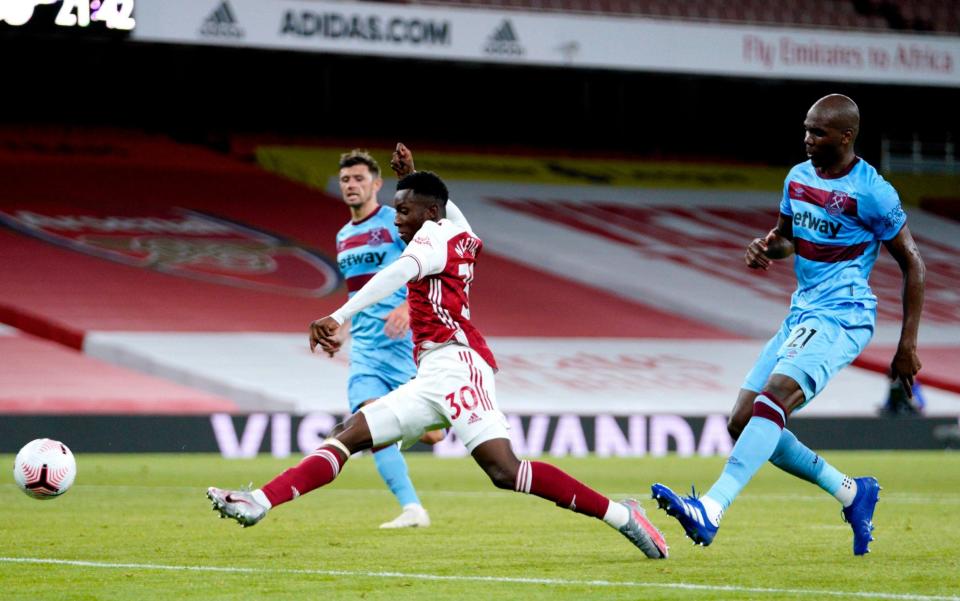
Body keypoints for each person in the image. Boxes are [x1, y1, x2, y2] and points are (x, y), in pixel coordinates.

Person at [208, 169, 669, 559]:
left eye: (403, 209)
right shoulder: (457, 232)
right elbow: (446, 207)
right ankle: (259, 501)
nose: (396, 217)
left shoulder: (429, 239)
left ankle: (623, 515)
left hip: (458, 364)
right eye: (394, 208)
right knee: (348, 434)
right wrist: (417, 172)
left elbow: (393, 274)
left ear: (429, 214)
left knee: (504, 471)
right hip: (431, 373)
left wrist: (338, 314)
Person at [651, 94, 925, 556]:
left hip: (844, 314)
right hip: (802, 311)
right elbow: (787, 241)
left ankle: (712, 508)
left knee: (774, 399)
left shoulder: (873, 192)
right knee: (741, 421)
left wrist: (907, 345)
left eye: (818, 132)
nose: (807, 139)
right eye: (805, 129)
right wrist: (765, 248)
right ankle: (851, 492)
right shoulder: (797, 178)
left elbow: (913, 264)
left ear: (846, 136)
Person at [317, 149, 435, 529]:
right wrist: (341, 326)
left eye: (359, 179)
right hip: (366, 349)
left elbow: (428, 266)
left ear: (377, 184)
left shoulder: (393, 222)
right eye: (346, 180)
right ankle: (412, 508)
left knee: (433, 435)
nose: (352, 185)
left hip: (402, 343)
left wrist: (406, 310)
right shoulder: (343, 236)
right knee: (371, 423)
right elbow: (357, 294)